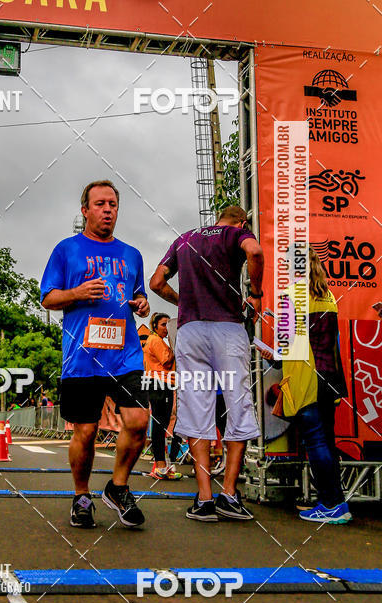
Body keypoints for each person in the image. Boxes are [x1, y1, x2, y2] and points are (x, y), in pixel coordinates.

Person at [41, 179, 150, 529]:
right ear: (85, 210)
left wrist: (143, 304)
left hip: (125, 354)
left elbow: (137, 296)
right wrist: (76, 292)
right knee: (85, 432)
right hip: (82, 357)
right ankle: (82, 496)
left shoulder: (132, 255)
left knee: (138, 421)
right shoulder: (66, 250)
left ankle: (118, 487)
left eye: (113, 205)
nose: (107, 210)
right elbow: (47, 298)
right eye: (100, 204)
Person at [150, 205, 264, 522]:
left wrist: (182, 301)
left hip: (191, 330)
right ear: (242, 221)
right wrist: (256, 293)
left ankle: (204, 499)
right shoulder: (236, 233)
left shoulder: (185, 239)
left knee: (196, 409)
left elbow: (156, 281)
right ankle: (229, 494)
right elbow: (254, 251)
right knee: (238, 406)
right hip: (227, 328)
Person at [278, 246, 351, 524]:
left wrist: (269, 352)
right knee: (328, 443)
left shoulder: (289, 297)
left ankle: (330, 504)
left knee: (317, 443)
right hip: (330, 377)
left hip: (305, 380)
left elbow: (286, 348)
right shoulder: (329, 296)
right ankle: (336, 502)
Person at [143, 312, 180, 480]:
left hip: (163, 384)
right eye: (164, 324)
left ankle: (161, 464)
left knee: (162, 425)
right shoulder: (155, 340)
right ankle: (160, 466)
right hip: (159, 384)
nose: (166, 328)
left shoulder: (158, 340)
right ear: (155, 326)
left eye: (168, 324)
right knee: (160, 425)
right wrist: (175, 348)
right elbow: (166, 360)